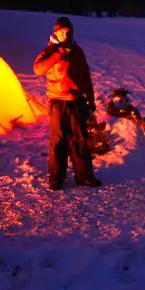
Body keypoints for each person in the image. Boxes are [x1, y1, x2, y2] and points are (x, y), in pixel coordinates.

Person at [33, 16, 102, 190]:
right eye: (62, 32)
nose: (66, 35)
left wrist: (90, 97)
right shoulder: (50, 50)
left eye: (68, 32)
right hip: (58, 101)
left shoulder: (77, 51)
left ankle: (84, 176)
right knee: (58, 140)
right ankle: (56, 177)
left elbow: (85, 76)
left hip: (77, 101)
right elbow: (38, 69)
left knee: (80, 139)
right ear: (56, 33)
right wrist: (58, 54)